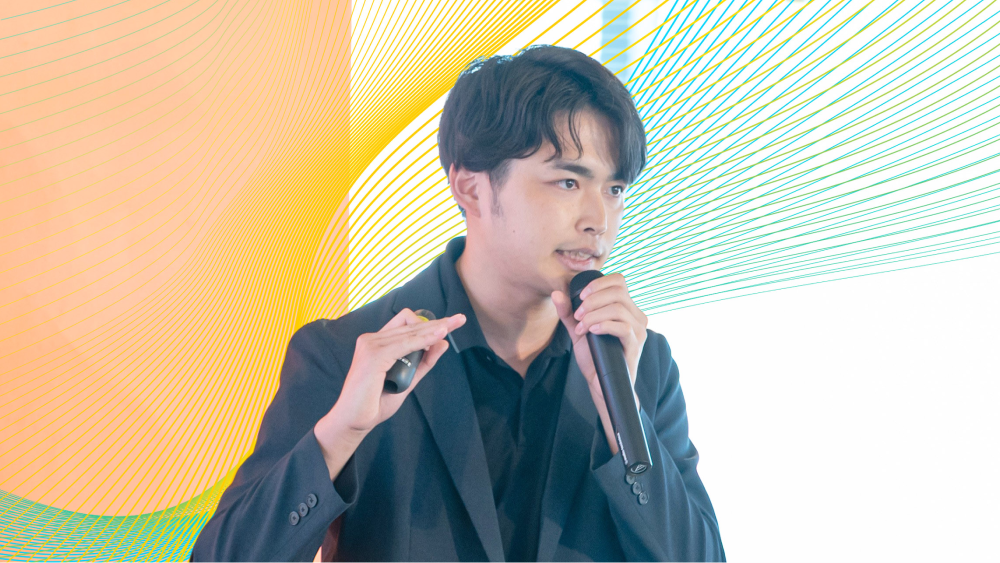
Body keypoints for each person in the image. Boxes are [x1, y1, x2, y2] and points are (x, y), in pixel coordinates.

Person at [190, 44, 725, 563]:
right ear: (471, 189)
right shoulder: (348, 353)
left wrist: (623, 420)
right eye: (568, 182)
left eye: (614, 189)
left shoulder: (640, 363)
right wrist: (338, 436)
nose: (599, 221)